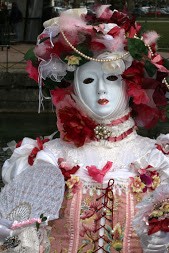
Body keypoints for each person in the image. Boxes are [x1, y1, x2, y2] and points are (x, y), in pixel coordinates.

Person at [1, 5, 169, 253]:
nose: (101, 90)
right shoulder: (47, 159)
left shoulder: (157, 160)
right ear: (74, 89)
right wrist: (19, 241)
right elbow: (11, 240)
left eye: (112, 78)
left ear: (130, 85)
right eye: (88, 80)